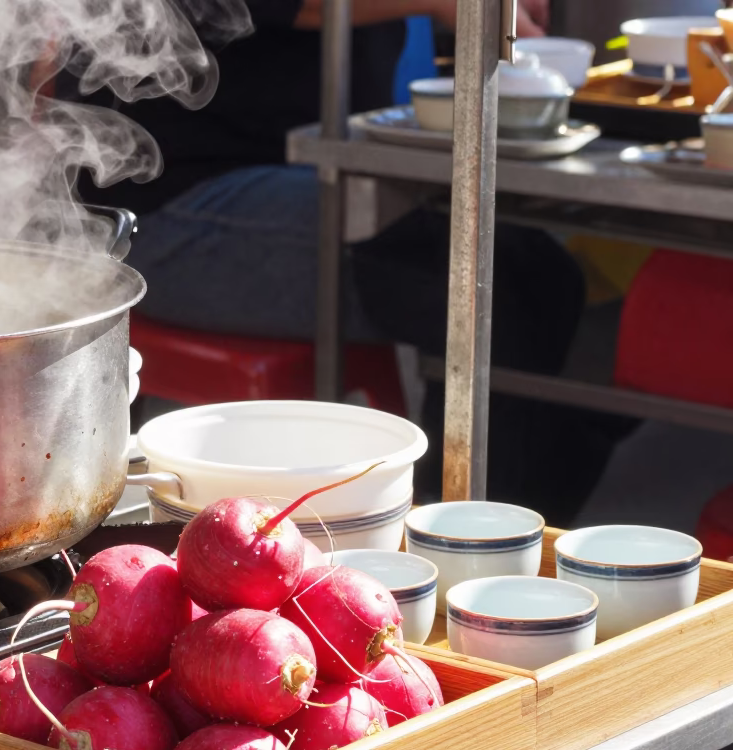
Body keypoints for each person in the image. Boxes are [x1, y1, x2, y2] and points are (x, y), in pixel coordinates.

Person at [70, 0, 635, 526]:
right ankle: (455, 531)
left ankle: (515, 523)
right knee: (497, 284)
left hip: (319, 171)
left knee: (541, 276)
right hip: (172, 209)